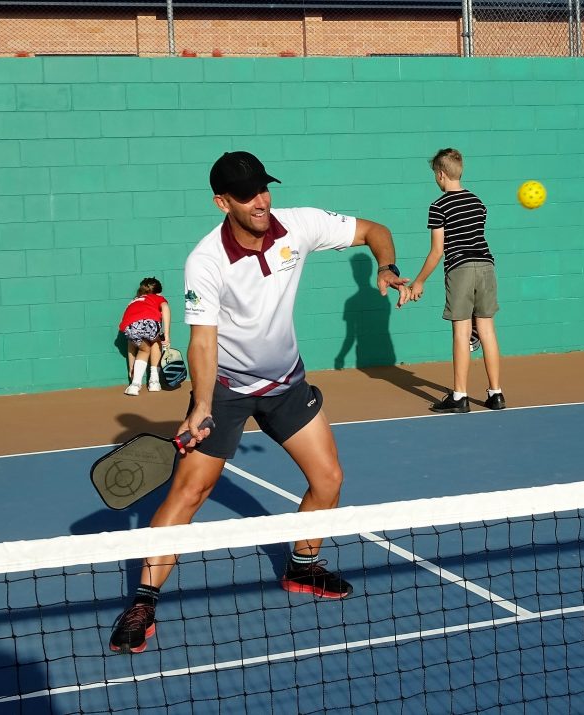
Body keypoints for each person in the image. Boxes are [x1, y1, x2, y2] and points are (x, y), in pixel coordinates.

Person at [109, 151, 411, 654]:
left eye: (264, 189)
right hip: (225, 391)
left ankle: (302, 565)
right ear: (222, 201)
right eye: (247, 195)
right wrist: (201, 404)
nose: (261, 201)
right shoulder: (206, 261)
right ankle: (143, 600)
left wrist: (387, 267)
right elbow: (202, 340)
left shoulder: (299, 225)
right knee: (189, 495)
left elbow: (375, 230)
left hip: (286, 384)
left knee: (329, 478)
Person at [409, 148, 504, 414]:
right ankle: (496, 394)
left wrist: (419, 281)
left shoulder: (438, 206)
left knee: (462, 333)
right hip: (486, 266)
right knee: (487, 331)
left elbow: (437, 251)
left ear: (441, 175)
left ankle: (460, 397)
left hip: (460, 268)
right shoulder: (478, 202)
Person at [119, 277, 170, 396]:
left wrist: (131, 367)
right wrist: (166, 335)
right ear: (158, 292)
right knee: (157, 341)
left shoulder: (134, 301)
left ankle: (134, 385)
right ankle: (154, 381)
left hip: (129, 327)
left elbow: (131, 345)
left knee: (143, 349)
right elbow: (166, 308)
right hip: (149, 323)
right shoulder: (158, 297)